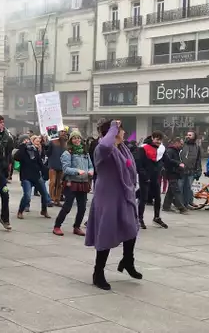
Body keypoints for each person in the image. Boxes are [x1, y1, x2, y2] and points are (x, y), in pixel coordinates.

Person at [86, 120, 142, 291]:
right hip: (108, 195)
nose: (124, 133)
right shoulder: (102, 148)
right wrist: (113, 126)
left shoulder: (122, 148)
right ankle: (98, 272)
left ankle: (127, 260)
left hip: (124, 193)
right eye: (121, 130)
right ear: (115, 131)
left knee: (131, 226)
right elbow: (105, 145)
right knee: (107, 232)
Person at [53, 130, 93, 236]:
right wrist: (77, 171)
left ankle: (77, 227)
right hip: (71, 182)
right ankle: (57, 226)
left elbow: (90, 165)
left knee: (82, 207)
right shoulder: (67, 153)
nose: (77, 140)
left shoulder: (85, 152)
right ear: (71, 140)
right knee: (67, 206)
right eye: (74, 138)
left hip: (83, 182)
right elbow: (66, 169)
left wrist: (91, 171)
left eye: (78, 138)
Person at [14, 135, 50, 220]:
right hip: (26, 176)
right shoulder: (23, 151)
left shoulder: (35, 150)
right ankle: (20, 211)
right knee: (27, 196)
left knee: (45, 194)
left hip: (36, 176)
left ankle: (44, 210)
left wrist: (45, 172)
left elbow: (39, 163)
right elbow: (16, 157)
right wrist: (23, 146)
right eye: (25, 140)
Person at [135, 131, 166, 229]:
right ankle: (139, 219)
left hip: (155, 177)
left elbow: (167, 160)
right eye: (157, 139)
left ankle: (157, 217)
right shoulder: (143, 148)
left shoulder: (160, 149)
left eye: (160, 140)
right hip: (145, 177)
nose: (159, 142)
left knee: (158, 198)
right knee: (143, 199)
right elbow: (139, 164)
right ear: (152, 138)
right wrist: (144, 175)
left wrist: (178, 164)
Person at [162, 137, 188, 220]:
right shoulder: (170, 151)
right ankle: (181, 208)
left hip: (174, 173)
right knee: (176, 190)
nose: (182, 145)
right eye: (181, 143)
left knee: (171, 190)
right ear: (176, 142)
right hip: (171, 173)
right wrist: (178, 163)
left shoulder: (175, 151)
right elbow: (168, 161)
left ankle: (166, 206)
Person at [180, 131, 202, 208]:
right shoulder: (182, 145)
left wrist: (199, 170)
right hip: (181, 170)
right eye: (187, 135)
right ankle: (180, 204)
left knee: (188, 188)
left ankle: (186, 203)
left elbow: (198, 160)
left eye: (190, 135)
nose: (188, 136)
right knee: (180, 187)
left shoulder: (197, 147)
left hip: (191, 170)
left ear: (194, 137)